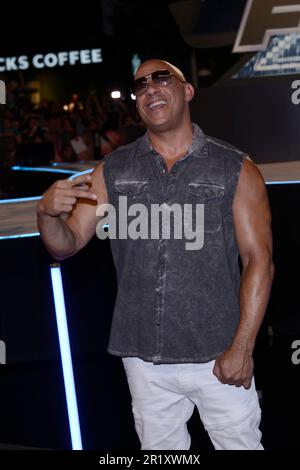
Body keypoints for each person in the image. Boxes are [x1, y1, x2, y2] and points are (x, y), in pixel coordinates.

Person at [37, 59, 274, 450]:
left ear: (187, 91)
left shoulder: (234, 168)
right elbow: (65, 245)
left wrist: (242, 348)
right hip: (143, 359)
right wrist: (46, 214)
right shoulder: (112, 171)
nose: (150, 88)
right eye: (140, 85)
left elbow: (258, 260)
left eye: (162, 78)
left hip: (218, 355)